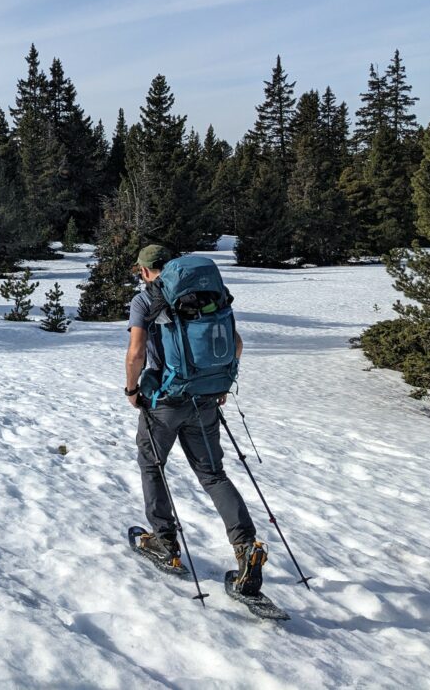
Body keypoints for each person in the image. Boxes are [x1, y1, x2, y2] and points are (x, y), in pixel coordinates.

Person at [124, 243, 267, 595]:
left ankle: (165, 542)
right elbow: (236, 342)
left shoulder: (146, 300)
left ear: (144, 270)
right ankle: (246, 547)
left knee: (153, 465)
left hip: (165, 399)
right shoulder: (207, 293)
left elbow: (136, 352)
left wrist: (131, 390)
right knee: (213, 474)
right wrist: (219, 381)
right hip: (205, 397)